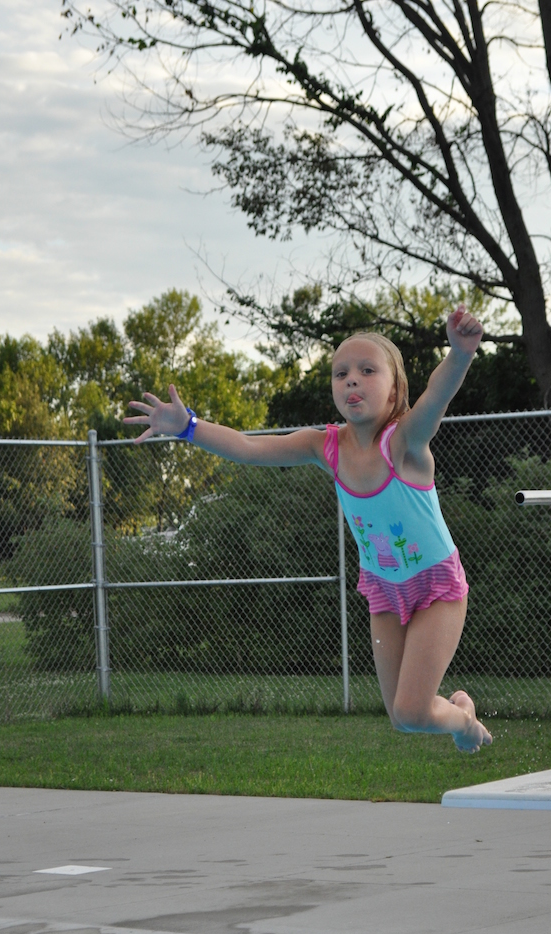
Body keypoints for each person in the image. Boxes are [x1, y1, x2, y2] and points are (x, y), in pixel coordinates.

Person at [125, 305, 492, 753]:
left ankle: (464, 722)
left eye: (366, 370)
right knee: (402, 718)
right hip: (384, 589)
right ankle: (458, 716)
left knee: (415, 711)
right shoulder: (325, 446)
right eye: (340, 374)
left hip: (436, 586)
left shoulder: (404, 444)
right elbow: (247, 447)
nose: (351, 379)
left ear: (395, 390)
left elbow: (436, 398)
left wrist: (459, 355)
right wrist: (188, 427)